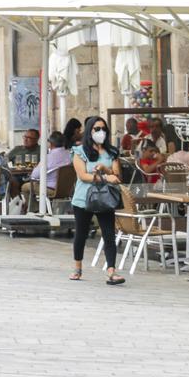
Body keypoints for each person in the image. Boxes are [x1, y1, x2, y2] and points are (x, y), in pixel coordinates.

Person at [69, 116, 125, 285]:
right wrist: (105, 178)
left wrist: (105, 170)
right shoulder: (79, 151)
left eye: (103, 129)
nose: (101, 132)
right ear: (89, 131)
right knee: (81, 233)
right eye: (97, 129)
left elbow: (117, 176)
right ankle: (77, 267)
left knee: (109, 234)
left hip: (106, 198)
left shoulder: (112, 152)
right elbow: (83, 176)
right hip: (83, 199)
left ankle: (111, 271)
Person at [22, 131, 74, 213]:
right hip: (68, 189)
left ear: (51, 144)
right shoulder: (70, 155)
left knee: (25, 187)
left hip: (51, 189)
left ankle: (35, 210)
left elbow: (34, 176)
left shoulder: (48, 157)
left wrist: (36, 167)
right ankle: (43, 208)